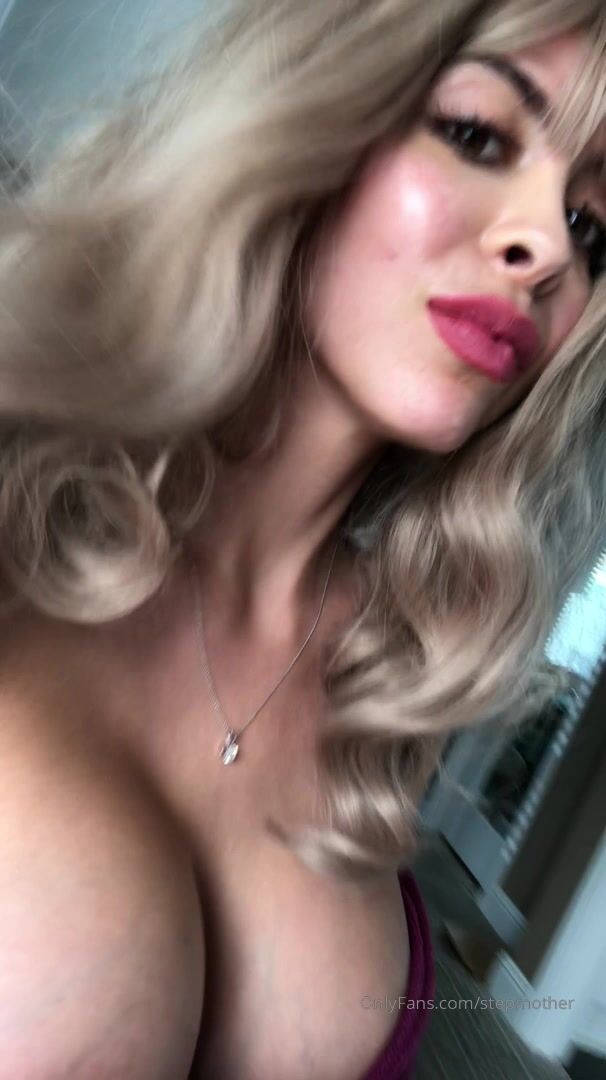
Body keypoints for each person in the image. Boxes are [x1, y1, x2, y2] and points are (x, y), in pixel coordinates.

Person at [0, 0, 605, 1076]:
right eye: (477, 134)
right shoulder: (21, 478)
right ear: (318, 108)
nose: (550, 246)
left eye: (594, 228)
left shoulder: (398, 681)